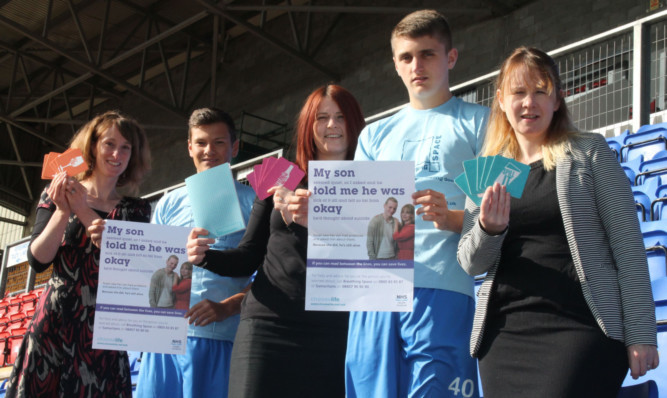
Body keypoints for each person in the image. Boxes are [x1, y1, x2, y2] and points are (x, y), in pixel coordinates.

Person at [457, 47, 659, 397]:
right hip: (505, 333)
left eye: (540, 91)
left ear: (558, 98)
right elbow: (470, 262)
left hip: (580, 325)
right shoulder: (486, 169)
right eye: (518, 93)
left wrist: (641, 332)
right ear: (502, 100)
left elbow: (627, 246)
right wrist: (489, 229)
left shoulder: (588, 152)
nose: (529, 103)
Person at [186, 84, 365, 398]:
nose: (332, 125)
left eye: (340, 117)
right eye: (321, 117)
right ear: (308, 126)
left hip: (338, 332)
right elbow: (248, 255)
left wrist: (321, 221)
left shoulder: (376, 183)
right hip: (267, 325)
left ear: (355, 123)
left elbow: (383, 260)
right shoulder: (280, 174)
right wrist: (205, 257)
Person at [346, 10, 489, 398]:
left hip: (443, 289)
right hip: (375, 293)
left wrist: (453, 216)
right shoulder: (374, 135)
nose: (416, 65)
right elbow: (356, 222)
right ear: (395, 64)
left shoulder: (483, 122)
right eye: (406, 57)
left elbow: (504, 216)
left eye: (427, 54)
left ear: (451, 58)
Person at [6, 111, 151, 397]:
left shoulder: (136, 210)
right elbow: (38, 259)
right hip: (55, 322)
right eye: (109, 144)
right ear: (92, 147)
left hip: (106, 328)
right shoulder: (56, 192)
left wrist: (82, 210)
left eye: (125, 147)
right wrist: (63, 210)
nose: (117, 153)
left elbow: (132, 269)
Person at [135, 107, 255, 398]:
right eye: (201, 142)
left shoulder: (253, 203)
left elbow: (268, 275)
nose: (209, 150)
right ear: (189, 147)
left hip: (217, 337)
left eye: (219, 142)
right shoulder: (167, 204)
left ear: (234, 147)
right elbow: (151, 269)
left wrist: (228, 306)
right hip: (163, 341)